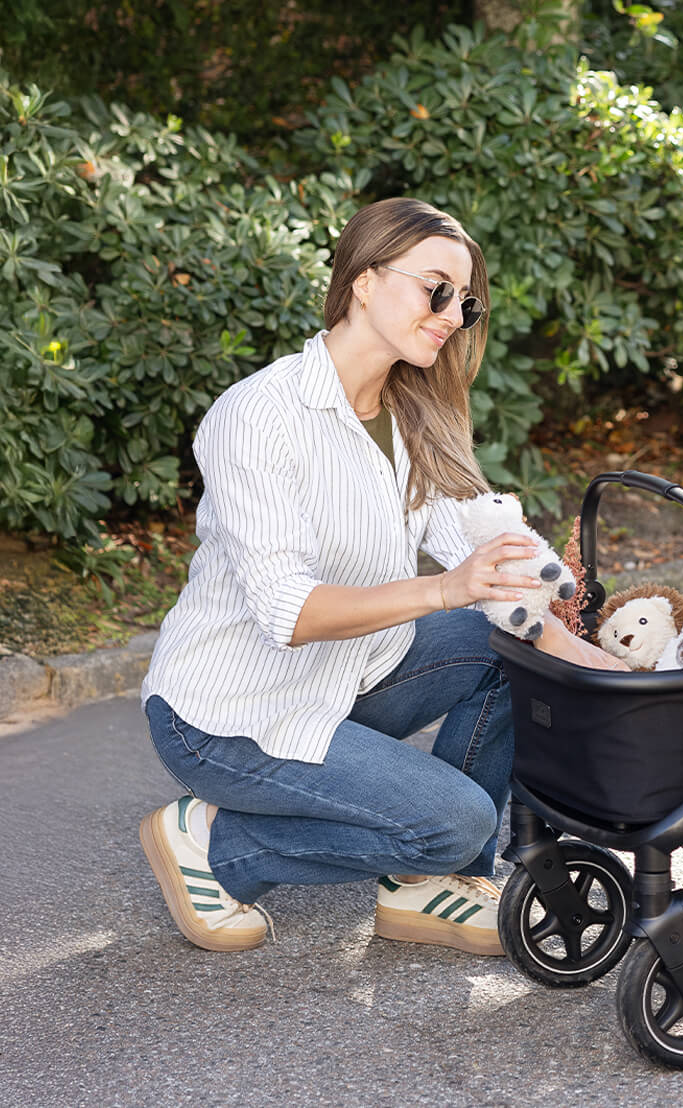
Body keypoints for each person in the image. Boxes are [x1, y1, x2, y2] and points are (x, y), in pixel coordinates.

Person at [138, 196, 625, 955]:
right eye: (436, 288)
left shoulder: (410, 409)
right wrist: (443, 587)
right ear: (364, 281)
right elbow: (287, 612)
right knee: (458, 817)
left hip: (343, 683)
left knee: (507, 653)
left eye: (464, 301)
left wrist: (586, 651)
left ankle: (434, 884)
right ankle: (218, 844)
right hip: (225, 719)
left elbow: (482, 540)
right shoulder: (258, 416)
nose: (453, 315)